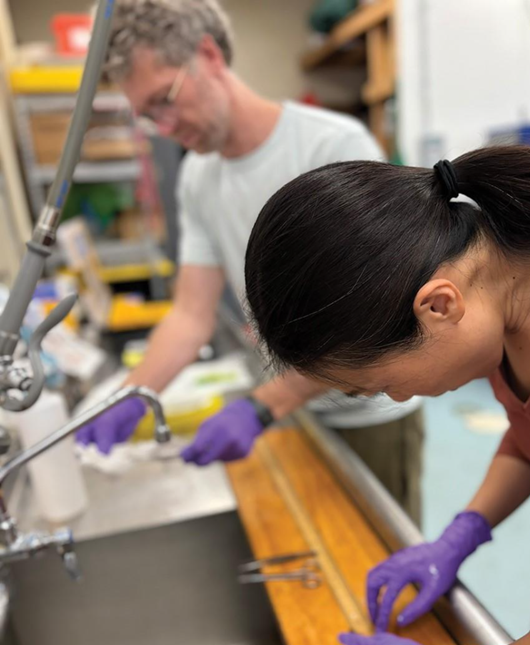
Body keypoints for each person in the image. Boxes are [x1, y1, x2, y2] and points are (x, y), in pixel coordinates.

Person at [244, 145, 530, 645]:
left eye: (381, 383)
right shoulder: (503, 281)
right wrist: (463, 532)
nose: (395, 398)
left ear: (438, 305)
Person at [76, 0, 423, 522]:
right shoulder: (198, 176)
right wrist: (132, 393)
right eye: (147, 116)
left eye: (163, 100)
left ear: (209, 55)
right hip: (287, 410)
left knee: (379, 570)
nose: (163, 127)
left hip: (365, 410)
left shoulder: (330, 148)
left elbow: (364, 323)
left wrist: (263, 405)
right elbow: (191, 314)